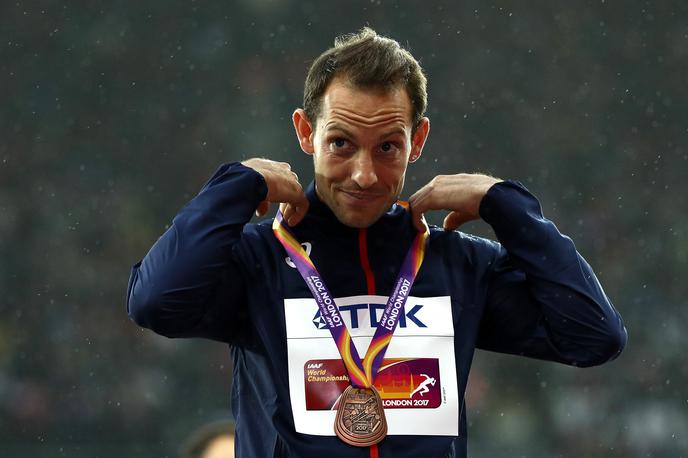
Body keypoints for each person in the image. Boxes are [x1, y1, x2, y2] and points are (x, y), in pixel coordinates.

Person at [127, 27, 626, 457]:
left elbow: (594, 337)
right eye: (341, 143)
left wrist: (506, 205)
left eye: (388, 147)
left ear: (419, 140)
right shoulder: (262, 260)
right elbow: (154, 303)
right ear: (305, 133)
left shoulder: (457, 263)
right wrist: (237, 185)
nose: (365, 175)